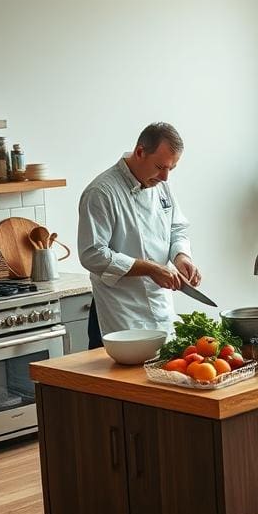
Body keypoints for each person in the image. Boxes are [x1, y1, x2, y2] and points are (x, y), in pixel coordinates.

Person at [78, 122, 201, 348]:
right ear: (140, 152)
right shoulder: (101, 193)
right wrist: (150, 268)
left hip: (161, 308)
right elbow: (92, 254)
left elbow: (176, 228)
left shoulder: (161, 184)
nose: (165, 177)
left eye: (171, 169)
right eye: (160, 167)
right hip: (119, 314)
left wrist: (182, 256)